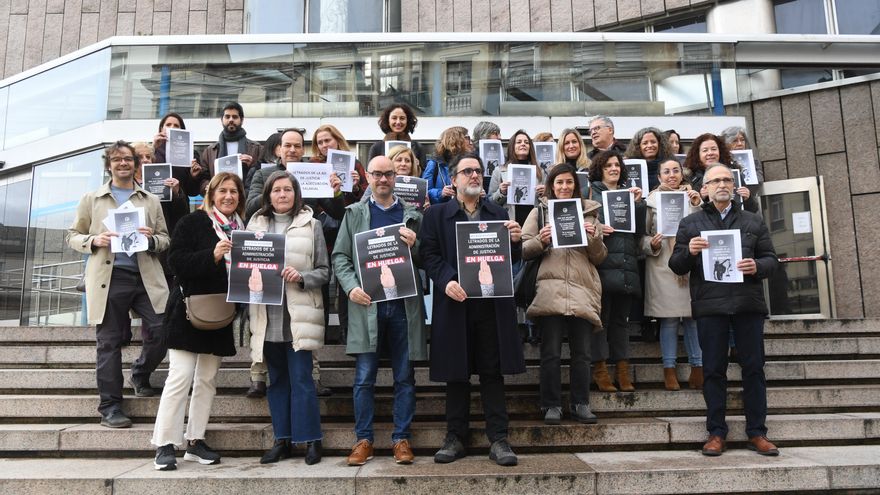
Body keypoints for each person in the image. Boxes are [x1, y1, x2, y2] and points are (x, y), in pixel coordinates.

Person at [420, 152, 525, 467]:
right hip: (455, 303)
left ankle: (499, 438)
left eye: (478, 171)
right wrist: (447, 280)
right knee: (456, 373)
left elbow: (510, 257)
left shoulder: (497, 212)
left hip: (490, 305)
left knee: (492, 373)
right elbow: (429, 254)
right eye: (467, 171)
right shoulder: (436, 215)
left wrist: (517, 241)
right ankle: (455, 437)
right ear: (453, 179)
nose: (474, 176)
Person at [668, 164, 779, 457]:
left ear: (733, 186)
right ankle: (716, 432)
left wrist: (758, 266)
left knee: (753, 369)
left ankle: (758, 432)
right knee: (714, 370)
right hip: (710, 305)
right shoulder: (690, 224)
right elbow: (676, 265)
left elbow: (772, 260)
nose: (722, 184)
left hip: (747, 304)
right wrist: (688, 251)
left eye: (727, 180)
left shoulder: (753, 222)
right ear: (704, 188)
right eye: (715, 180)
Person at [66, 140, 170, 427]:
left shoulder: (150, 199)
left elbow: (165, 239)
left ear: (136, 164)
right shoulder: (92, 199)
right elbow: (72, 234)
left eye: (128, 159)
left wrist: (150, 239)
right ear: (108, 165)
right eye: (116, 159)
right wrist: (93, 240)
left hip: (145, 275)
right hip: (109, 278)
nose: (123, 163)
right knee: (109, 342)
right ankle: (111, 406)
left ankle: (140, 372)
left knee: (163, 329)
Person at [331, 155, 427, 466]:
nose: (383, 179)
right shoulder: (355, 213)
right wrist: (350, 287)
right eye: (377, 174)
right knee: (363, 378)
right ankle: (364, 440)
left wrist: (418, 245)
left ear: (396, 178)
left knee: (405, 377)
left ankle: (401, 439)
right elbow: (340, 258)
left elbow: (430, 258)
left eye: (388, 174)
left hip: (402, 307)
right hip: (367, 306)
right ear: (368, 177)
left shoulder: (412, 216)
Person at [151, 172, 244, 470]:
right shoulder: (192, 222)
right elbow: (174, 261)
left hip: (221, 313)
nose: (228, 196)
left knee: (206, 380)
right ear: (211, 194)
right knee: (180, 376)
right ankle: (165, 443)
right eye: (223, 191)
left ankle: (195, 440)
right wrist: (212, 255)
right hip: (188, 312)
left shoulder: (243, 230)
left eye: (234, 191)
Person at [246, 171, 328, 465]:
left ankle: (311, 440)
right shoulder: (254, 225)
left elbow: (323, 270)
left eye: (288, 190)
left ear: (296, 194)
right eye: (276, 190)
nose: (282, 195)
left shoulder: (312, 224)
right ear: (268, 195)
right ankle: (282, 440)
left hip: (299, 312)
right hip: (266, 314)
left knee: (302, 380)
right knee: (277, 380)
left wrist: (302, 276)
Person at [521, 163, 606, 425]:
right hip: (550, 289)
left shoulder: (591, 214)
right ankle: (551, 406)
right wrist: (541, 240)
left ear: (575, 186)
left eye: (569, 182)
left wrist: (593, 238)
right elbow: (523, 250)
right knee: (551, 353)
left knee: (582, 353)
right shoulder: (539, 213)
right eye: (559, 183)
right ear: (551, 186)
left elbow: (600, 256)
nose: (564, 187)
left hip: (582, 290)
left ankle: (581, 403)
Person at [642, 159, 704, 391]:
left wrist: (698, 204)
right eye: (666, 172)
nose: (671, 175)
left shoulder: (692, 197)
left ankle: (698, 366)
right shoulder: (650, 200)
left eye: (675, 171)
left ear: (682, 174)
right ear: (658, 177)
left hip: (689, 263)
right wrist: (652, 244)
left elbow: (705, 225)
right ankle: (669, 369)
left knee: (691, 318)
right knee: (667, 320)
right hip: (662, 265)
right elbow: (642, 236)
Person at [588, 150, 644, 392]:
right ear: (599, 169)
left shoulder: (629, 195)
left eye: (617, 165)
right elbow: (582, 226)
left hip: (626, 266)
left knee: (621, 322)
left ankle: (622, 371)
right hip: (601, 267)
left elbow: (640, 231)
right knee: (600, 321)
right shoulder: (589, 194)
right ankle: (600, 370)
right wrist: (598, 226)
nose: (614, 169)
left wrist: (639, 204)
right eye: (608, 165)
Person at [197, 102, 264, 195]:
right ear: (221, 120)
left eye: (235, 117)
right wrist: (207, 187)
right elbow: (203, 178)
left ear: (242, 120)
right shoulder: (209, 151)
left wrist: (252, 165)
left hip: (247, 201)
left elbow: (263, 176)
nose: (231, 120)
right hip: (219, 200)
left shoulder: (257, 148)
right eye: (227, 117)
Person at [684, 133, 758, 213]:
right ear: (697, 154)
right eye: (705, 150)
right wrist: (700, 197)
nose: (710, 153)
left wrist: (748, 198)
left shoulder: (734, 173)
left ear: (720, 151)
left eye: (714, 149)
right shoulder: (690, 177)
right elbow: (685, 212)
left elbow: (753, 210)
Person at [488, 130, 545, 227]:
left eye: (526, 142)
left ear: (530, 147)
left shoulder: (540, 171)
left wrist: (545, 193)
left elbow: (548, 201)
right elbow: (490, 203)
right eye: (519, 142)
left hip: (534, 222)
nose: (523, 144)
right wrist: (501, 192)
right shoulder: (499, 171)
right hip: (510, 222)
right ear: (512, 146)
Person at [311, 124, 367, 205]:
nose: (324, 145)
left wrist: (355, 188)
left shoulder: (354, 163)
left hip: (349, 212)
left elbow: (367, 196)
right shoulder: (314, 165)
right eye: (320, 142)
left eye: (327, 140)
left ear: (337, 140)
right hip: (322, 215)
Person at [150, 112, 203, 197]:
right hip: (157, 203)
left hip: (180, 204)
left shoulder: (191, 154)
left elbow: (193, 192)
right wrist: (153, 147)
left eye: (176, 125)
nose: (172, 127)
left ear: (182, 130)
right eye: (168, 124)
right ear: (161, 129)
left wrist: (194, 177)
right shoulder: (153, 150)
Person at [423, 126, 472, 205]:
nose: (470, 142)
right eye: (467, 137)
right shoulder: (435, 163)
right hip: (442, 211)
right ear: (456, 141)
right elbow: (424, 191)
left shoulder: (470, 162)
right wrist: (441, 193)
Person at [367, 103, 426, 167]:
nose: (398, 122)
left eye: (402, 118)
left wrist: (417, 167)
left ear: (408, 121)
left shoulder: (418, 147)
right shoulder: (377, 148)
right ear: (388, 121)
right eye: (394, 118)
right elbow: (370, 173)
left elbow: (424, 175)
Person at [625, 127, 670, 192]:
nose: (649, 145)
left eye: (653, 142)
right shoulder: (629, 166)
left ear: (660, 144)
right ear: (638, 146)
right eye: (645, 143)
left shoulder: (669, 163)